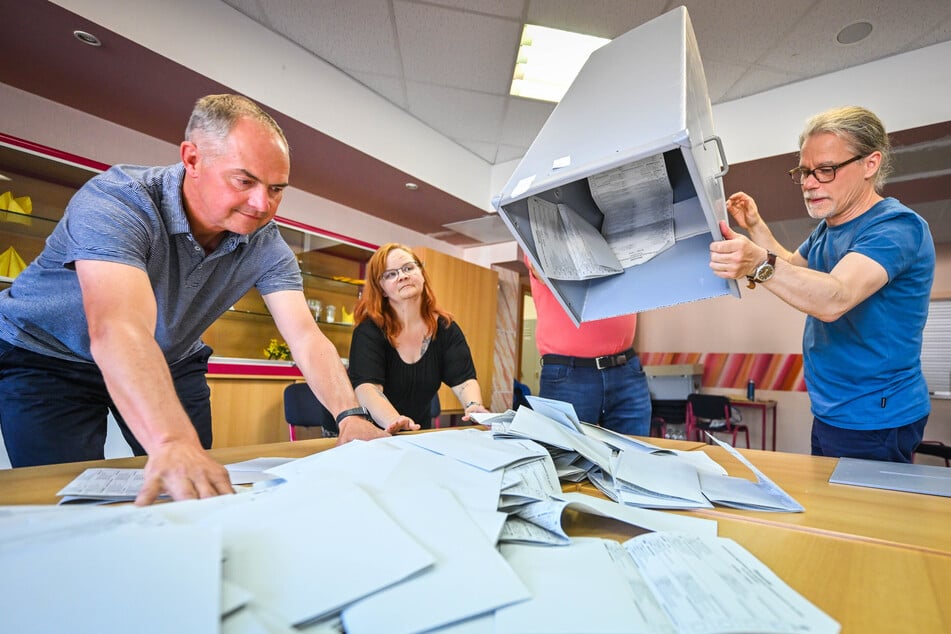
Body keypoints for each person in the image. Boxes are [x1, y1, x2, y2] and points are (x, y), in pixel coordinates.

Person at [0, 94, 394, 505]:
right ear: (192, 159)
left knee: (194, 482)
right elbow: (118, 328)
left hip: (171, 356)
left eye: (276, 189)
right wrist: (171, 440)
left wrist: (350, 416)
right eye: (244, 181)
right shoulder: (117, 202)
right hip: (47, 355)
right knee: (65, 492)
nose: (263, 205)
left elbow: (307, 338)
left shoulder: (266, 244)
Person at [709, 105, 934, 462]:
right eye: (805, 172)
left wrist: (758, 262)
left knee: (859, 518)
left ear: (870, 164)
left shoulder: (896, 227)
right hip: (833, 409)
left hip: (874, 417)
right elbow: (792, 268)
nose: (810, 184)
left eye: (825, 170)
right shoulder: (827, 230)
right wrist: (756, 227)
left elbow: (834, 298)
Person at [348, 243, 489, 430]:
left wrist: (474, 406)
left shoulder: (445, 328)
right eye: (390, 274)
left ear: (422, 274)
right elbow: (367, 388)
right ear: (381, 289)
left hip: (416, 431)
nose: (403, 276)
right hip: (369, 431)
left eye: (408, 268)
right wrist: (395, 420)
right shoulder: (369, 331)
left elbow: (464, 379)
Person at [526, 257, 652, 436]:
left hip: (626, 369)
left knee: (635, 456)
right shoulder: (537, 231)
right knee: (566, 457)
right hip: (568, 375)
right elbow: (541, 268)